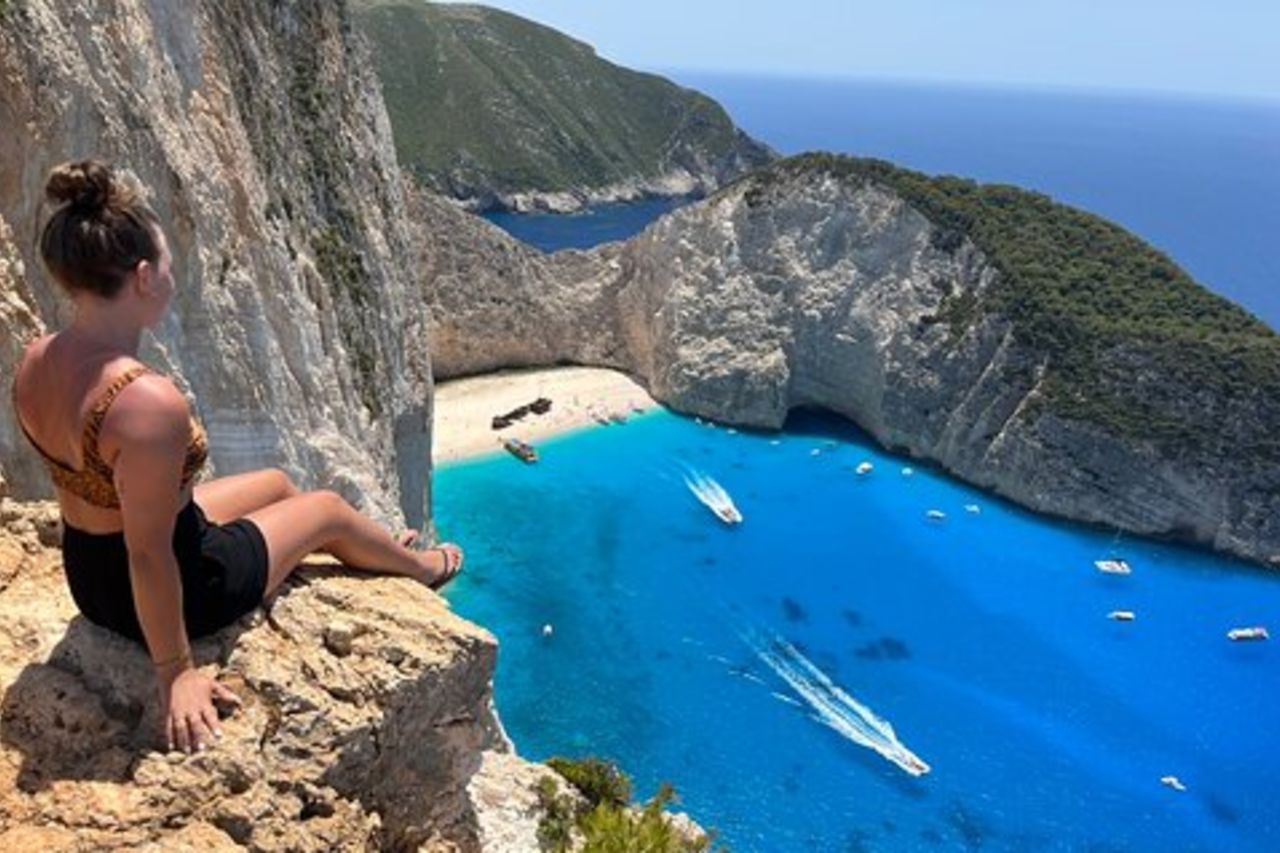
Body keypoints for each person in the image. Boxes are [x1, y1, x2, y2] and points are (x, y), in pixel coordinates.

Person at [9, 160, 464, 755]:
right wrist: (176, 672)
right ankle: (423, 567)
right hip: (176, 588)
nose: (173, 277)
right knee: (327, 509)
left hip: (87, 571)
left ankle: (365, 546)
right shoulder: (144, 401)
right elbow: (148, 553)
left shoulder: (38, 357)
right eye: (168, 264)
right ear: (143, 277)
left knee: (277, 482)